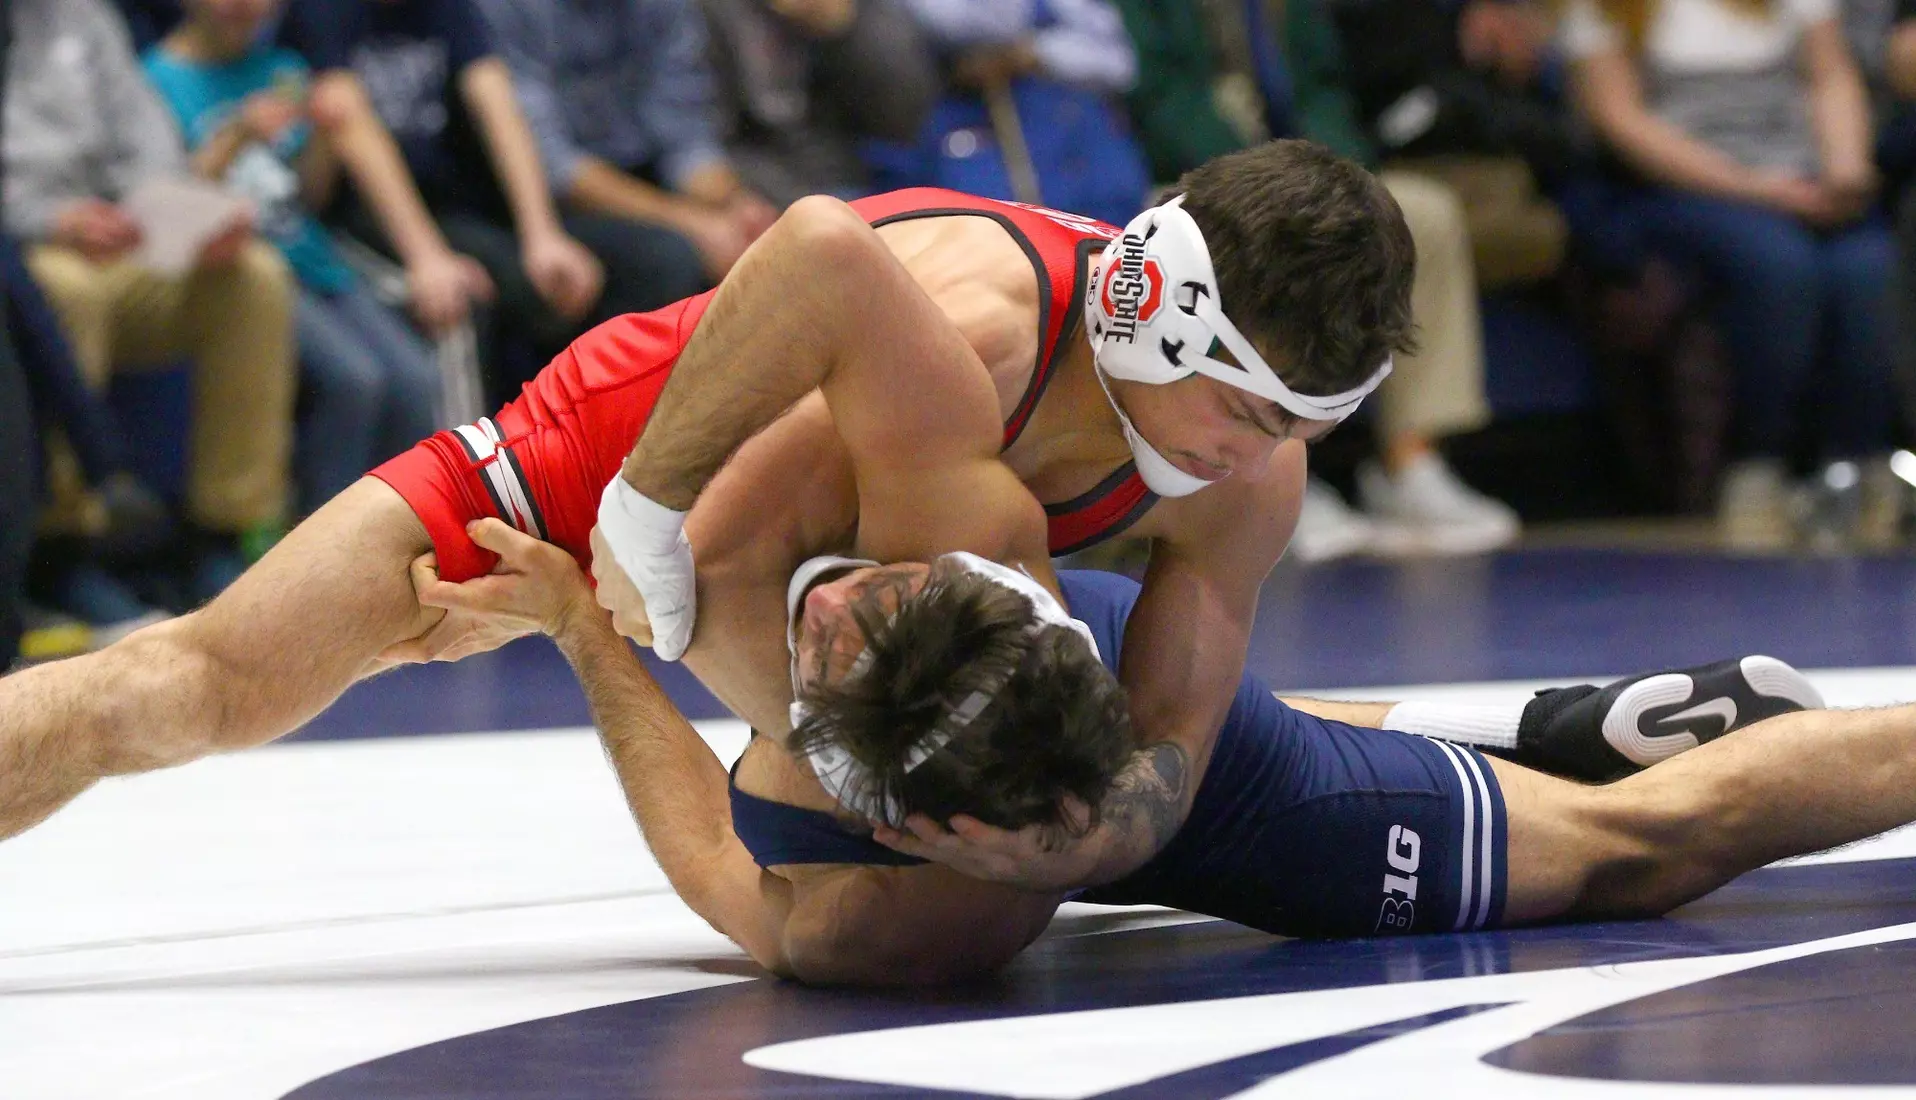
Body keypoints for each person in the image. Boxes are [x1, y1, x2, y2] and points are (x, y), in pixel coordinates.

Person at [0, 143, 1411, 856]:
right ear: (1152, 316)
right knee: (193, 689)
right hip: (590, 478)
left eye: (1301, 425)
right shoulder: (973, 325)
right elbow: (719, 568)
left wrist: (1074, 837)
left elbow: (1171, 751)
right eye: (1243, 408)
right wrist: (889, 804)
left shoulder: (1248, 476)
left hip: (761, 561)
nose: (1255, 455)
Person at [1561, 0, 1901, 550]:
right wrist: (1756, 189)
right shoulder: (1602, 10)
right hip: (1682, 188)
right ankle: (1757, 465)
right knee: (1777, 268)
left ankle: (1859, 467)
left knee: (1867, 269)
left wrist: (1846, 171)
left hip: (1805, 178)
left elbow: (1831, 78)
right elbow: (1621, 121)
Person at [4, 0, 299, 602]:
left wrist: (182, 216)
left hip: (122, 234)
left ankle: (226, 531)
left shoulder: (84, 18)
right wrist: (48, 218)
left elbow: (148, 142)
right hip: (32, 241)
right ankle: (65, 547)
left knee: (254, 278)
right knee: (68, 290)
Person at [146, 0, 442, 515]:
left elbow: (309, 195)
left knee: (416, 379)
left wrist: (325, 137)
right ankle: (319, 542)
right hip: (240, 268)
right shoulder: (154, 79)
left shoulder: (282, 69)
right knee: (355, 382)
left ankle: (406, 529)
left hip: (312, 258)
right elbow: (165, 213)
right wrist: (235, 138)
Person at [473, 0, 776, 286]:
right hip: (537, 203)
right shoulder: (507, 9)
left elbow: (685, 136)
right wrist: (693, 224)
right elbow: (555, 169)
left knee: (772, 231)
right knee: (670, 258)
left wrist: (732, 204)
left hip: (644, 173)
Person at [700, 0, 938, 206]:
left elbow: (906, 118)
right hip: (762, 189)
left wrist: (843, 26)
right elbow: (708, 144)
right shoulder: (711, 13)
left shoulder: (863, 10)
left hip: (857, 177)